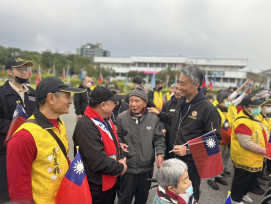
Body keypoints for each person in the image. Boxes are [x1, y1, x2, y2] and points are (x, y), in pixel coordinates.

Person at [6, 76, 85, 203]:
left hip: (61, 198)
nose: (70, 101)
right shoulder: (24, 137)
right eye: (67, 96)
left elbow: (63, 158)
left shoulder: (60, 124)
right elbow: (19, 192)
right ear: (51, 98)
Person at [149, 65, 221, 201]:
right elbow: (176, 121)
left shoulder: (207, 109)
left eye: (182, 84)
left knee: (188, 195)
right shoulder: (181, 101)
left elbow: (215, 140)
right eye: (178, 82)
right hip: (172, 160)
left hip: (190, 165)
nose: (179, 87)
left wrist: (188, 150)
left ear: (196, 84)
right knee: (169, 193)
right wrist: (160, 114)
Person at [73, 86, 128, 204]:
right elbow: (98, 160)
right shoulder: (86, 126)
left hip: (109, 179)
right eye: (114, 102)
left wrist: (121, 155)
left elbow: (114, 142)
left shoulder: (105, 119)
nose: (116, 105)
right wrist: (120, 167)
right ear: (103, 105)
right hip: (97, 187)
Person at [116, 85, 165, 204]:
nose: (133, 104)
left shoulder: (153, 119)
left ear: (145, 103)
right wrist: (120, 143)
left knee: (141, 199)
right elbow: (117, 137)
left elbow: (159, 139)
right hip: (128, 169)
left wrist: (160, 154)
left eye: (137, 101)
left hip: (146, 169)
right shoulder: (121, 118)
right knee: (124, 199)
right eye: (131, 100)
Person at [0, 57, 38, 203]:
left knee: (27, 189)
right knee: (6, 194)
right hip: (6, 150)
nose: (24, 72)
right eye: (19, 69)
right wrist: (17, 126)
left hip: (31, 148)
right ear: (9, 72)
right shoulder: (2, 93)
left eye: (25, 69)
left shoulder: (33, 93)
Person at [231, 95, 266, 203]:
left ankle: (243, 194)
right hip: (245, 159)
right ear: (245, 107)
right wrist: (265, 151)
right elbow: (247, 143)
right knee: (241, 181)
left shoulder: (253, 117)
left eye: (259, 106)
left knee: (249, 181)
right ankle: (235, 199)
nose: (258, 109)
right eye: (255, 107)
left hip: (254, 158)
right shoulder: (242, 122)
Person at [161, 82, 182, 159]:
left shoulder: (188, 105)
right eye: (176, 89)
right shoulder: (167, 104)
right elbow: (161, 119)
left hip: (181, 143)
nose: (177, 91)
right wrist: (162, 128)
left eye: (180, 89)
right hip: (168, 141)